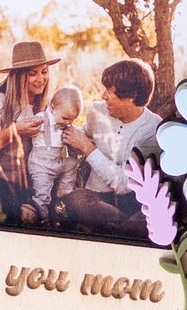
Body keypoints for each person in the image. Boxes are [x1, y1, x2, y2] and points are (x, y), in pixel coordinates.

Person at [59, 58, 162, 236]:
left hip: (132, 200)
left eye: (109, 91)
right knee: (76, 199)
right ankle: (125, 231)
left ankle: (117, 230)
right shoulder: (98, 112)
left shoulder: (152, 129)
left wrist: (88, 149)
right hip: (96, 198)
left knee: (152, 214)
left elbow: (124, 184)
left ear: (131, 97)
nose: (103, 96)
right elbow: (83, 137)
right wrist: (65, 130)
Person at [0, 40, 58, 223]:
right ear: (17, 76)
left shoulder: (47, 106)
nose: (40, 79)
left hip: (25, 183)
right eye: (32, 74)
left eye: (44, 71)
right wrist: (14, 132)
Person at [27, 84, 84, 220]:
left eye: (72, 120)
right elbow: (28, 126)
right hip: (41, 163)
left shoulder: (66, 122)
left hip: (59, 160)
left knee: (72, 164)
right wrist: (33, 124)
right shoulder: (42, 118)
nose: (68, 122)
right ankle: (42, 215)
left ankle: (64, 193)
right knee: (42, 190)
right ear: (52, 107)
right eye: (65, 118)